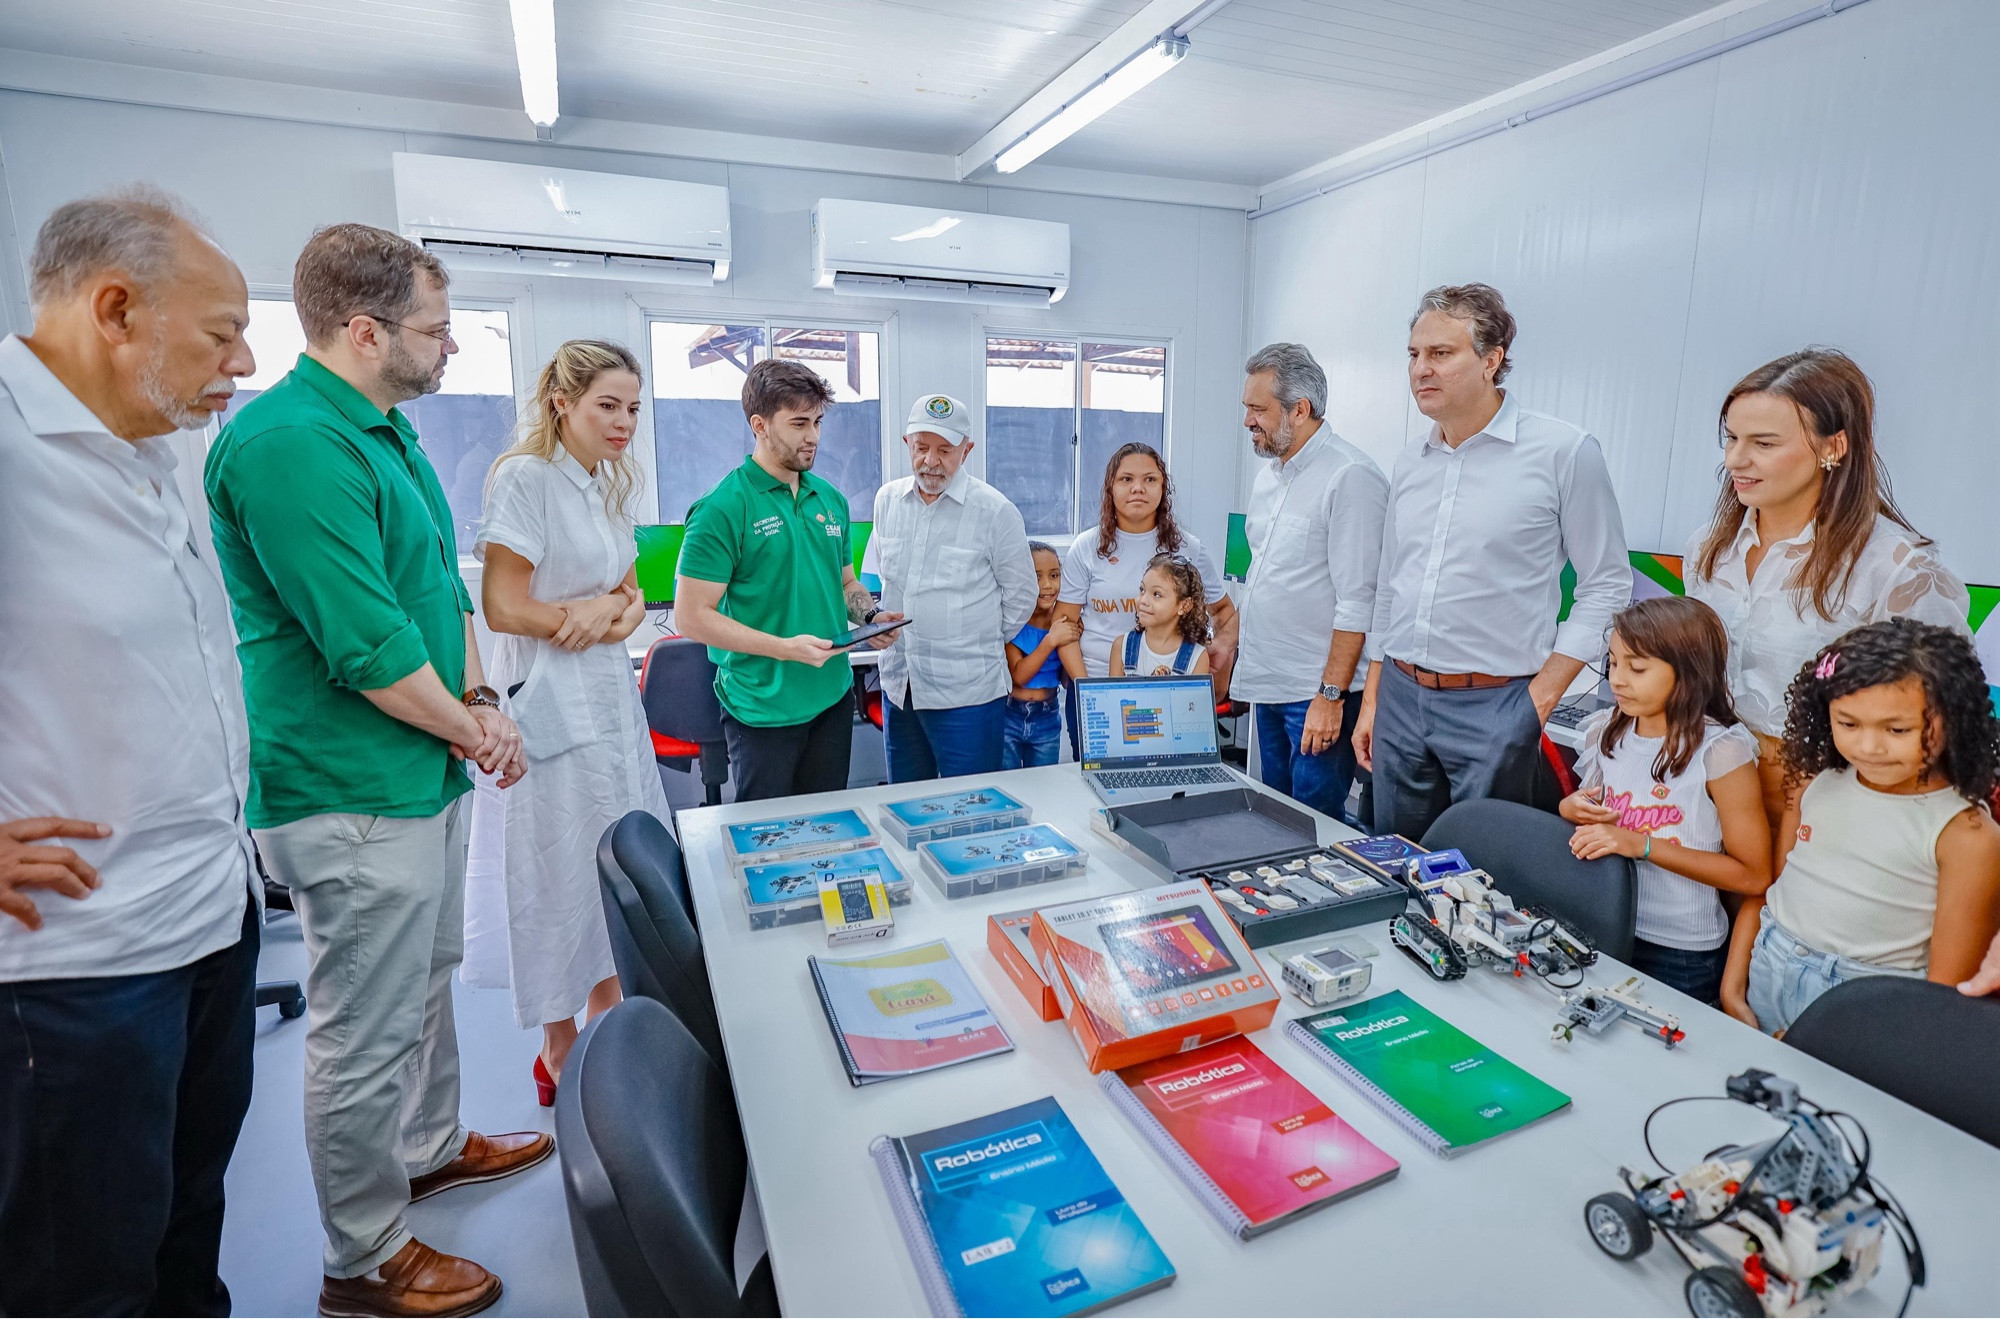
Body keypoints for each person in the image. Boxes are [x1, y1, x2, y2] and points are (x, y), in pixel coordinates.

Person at [206, 223, 542, 1318]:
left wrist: (480, 701)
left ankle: (430, 1145)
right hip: (349, 789)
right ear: (364, 331)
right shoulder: (290, 442)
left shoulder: (383, 429)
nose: (448, 349)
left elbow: (433, 595)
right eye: (435, 330)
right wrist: (472, 728)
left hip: (418, 772)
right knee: (361, 1029)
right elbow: (363, 645)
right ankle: (363, 1254)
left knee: (423, 983)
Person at [0, 188, 259, 1317]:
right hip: (82, 962)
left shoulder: (158, 444)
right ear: (115, 309)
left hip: (209, 913)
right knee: (81, 1267)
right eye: (221, 332)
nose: (242, 362)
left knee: (182, 1224)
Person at [1354, 283, 1630, 840]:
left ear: (1491, 360)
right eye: (1413, 355)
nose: (1420, 370)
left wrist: (1538, 699)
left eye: (1440, 354)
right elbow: (1391, 586)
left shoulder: (1563, 452)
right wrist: (1374, 698)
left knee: (1484, 877)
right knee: (1400, 862)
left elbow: (1607, 584)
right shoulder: (1412, 459)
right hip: (1401, 700)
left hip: (1499, 703)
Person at [474, 340, 663, 1105]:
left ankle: (609, 1021)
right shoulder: (526, 478)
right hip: (550, 701)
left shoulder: (605, 483)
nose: (623, 423)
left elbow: (633, 594)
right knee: (554, 868)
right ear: (563, 402)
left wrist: (610, 611)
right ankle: (557, 1046)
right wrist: (582, 616)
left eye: (632, 409)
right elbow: (503, 605)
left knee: (617, 860)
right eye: (607, 406)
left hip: (611, 699)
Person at [1685, 348, 1969, 846]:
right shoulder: (1708, 548)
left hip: (1826, 805)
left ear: (1833, 447)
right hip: (1707, 784)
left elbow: (1943, 715)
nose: (1736, 459)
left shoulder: (1897, 569)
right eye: (1731, 438)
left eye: (1764, 443)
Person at [1720, 619, 2000, 1035]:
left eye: (1897, 729)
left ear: (1955, 719)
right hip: (1768, 967)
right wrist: (1731, 982)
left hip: (1871, 1004)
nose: (1869, 747)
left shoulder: (1966, 832)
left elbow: (1944, 991)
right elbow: (1775, 890)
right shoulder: (1815, 783)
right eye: (1848, 724)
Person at [676, 359, 897, 801]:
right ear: (759, 424)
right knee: (769, 841)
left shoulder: (829, 498)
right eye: (798, 423)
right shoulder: (723, 507)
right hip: (762, 708)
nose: (813, 436)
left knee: (828, 827)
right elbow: (691, 618)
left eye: (816, 421)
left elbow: (846, 583)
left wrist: (871, 617)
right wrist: (786, 649)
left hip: (831, 699)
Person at [1557, 597, 1772, 1003]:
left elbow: (1753, 874)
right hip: (1606, 923)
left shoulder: (1721, 751)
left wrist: (1642, 845)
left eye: (1637, 668)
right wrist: (1569, 808)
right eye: (1613, 663)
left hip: (1681, 952)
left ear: (1689, 672)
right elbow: (1595, 817)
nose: (1617, 679)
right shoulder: (1607, 731)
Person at [1234, 342, 1386, 824]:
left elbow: (1358, 602)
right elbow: (1262, 578)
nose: (1247, 421)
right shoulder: (1268, 479)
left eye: (1258, 409)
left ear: (1300, 410)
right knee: (1273, 821)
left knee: (1313, 826)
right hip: (1269, 684)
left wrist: (1330, 697)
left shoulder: (1351, 477)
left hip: (1315, 694)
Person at [868, 393, 1037, 782]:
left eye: (945, 449)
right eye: (922, 447)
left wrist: (975, 640)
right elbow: (888, 583)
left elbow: (1022, 595)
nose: (930, 460)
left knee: (972, 810)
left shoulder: (995, 512)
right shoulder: (886, 501)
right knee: (906, 807)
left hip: (968, 695)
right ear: (907, 444)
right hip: (901, 687)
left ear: (967, 450)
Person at [1053, 442, 1236, 753]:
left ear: (1163, 488)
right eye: (1126, 479)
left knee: (1164, 783)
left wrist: (1210, 661)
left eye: (1150, 479)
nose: (1138, 488)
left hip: (1169, 692)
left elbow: (1224, 612)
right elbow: (1064, 623)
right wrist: (1086, 690)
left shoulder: (1188, 548)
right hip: (1096, 686)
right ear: (1110, 488)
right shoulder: (1086, 547)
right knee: (1101, 780)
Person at [1003, 541, 1075, 769]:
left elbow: (1064, 678)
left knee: (1043, 784)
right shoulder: (1014, 620)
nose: (1047, 586)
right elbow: (1019, 676)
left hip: (1047, 716)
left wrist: (1072, 643)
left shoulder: (1062, 620)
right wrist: (1051, 640)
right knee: (1007, 783)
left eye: (1054, 575)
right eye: (1037, 577)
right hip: (1009, 715)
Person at [1110, 554, 1213, 677]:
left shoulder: (1197, 657)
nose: (1143, 600)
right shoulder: (1122, 646)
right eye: (1142, 589)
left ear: (1184, 606)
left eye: (1157, 594)